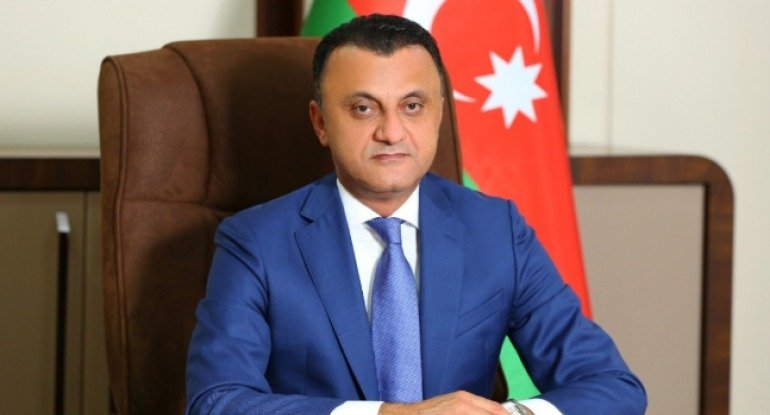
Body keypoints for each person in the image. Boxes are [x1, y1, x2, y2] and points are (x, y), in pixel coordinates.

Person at [186, 14, 646, 415]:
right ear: (321, 122)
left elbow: (613, 387)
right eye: (363, 108)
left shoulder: (496, 230)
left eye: (412, 106)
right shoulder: (256, 241)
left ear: (439, 114)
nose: (392, 132)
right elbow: (217, 401)